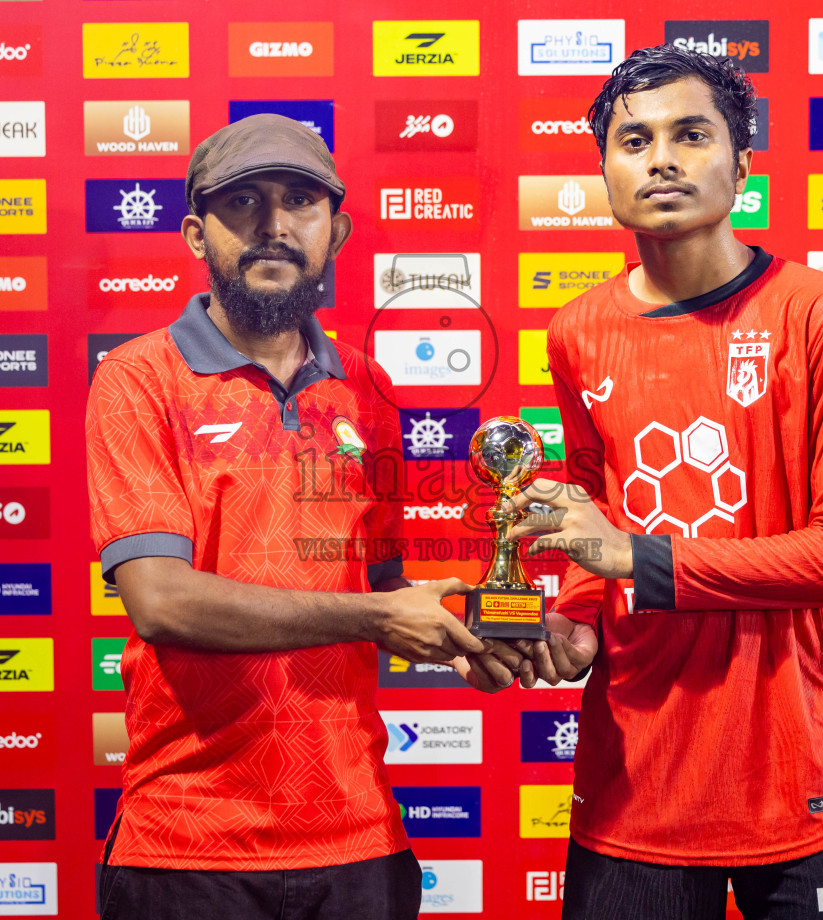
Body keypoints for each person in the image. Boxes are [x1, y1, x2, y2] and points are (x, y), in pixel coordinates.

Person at [84, 114, 519, 920]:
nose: (274, 224)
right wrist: (380, 616)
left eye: (299, 202)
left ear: (336, 232)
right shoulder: (137, 380)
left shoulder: (365, 384)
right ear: (196, 233)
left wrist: (475, 633)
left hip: (359, 837)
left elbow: (378, 589)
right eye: (243, 202)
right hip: (189, 843)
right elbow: (162, 601)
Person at [505, 47, 823, 919]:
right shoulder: (577, 332)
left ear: (742, 164)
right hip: (635, 781)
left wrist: (636, 560)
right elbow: (595, 504)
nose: (662, 160)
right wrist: (576, 622)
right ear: (605, 173)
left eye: (691, 135)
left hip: (801, 777)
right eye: (634, 141)